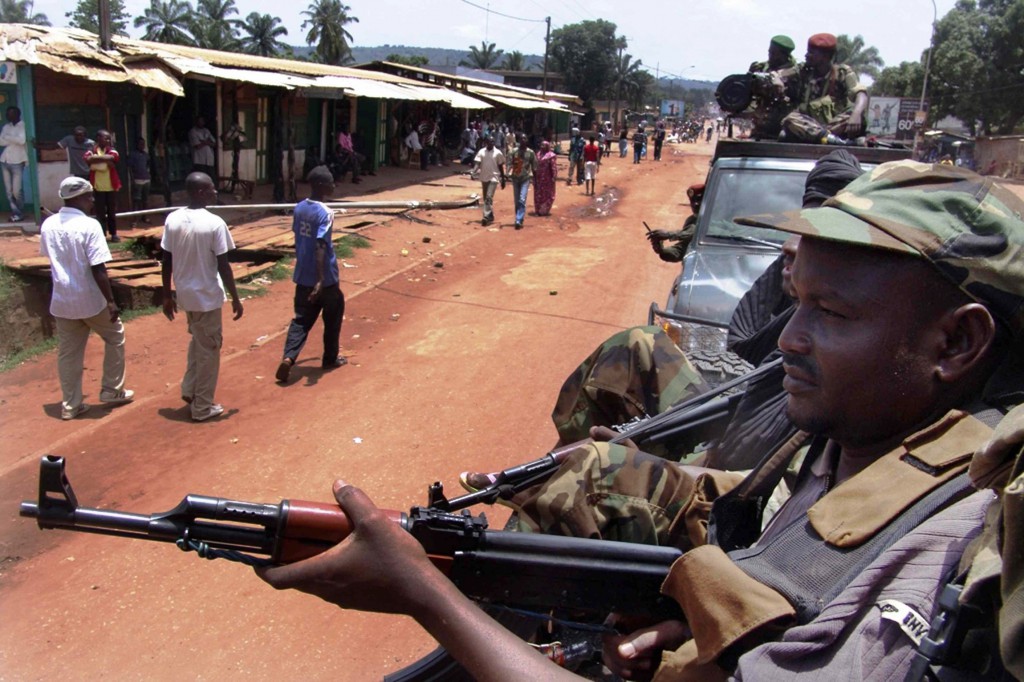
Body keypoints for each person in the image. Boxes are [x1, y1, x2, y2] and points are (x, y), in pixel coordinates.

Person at [256, 162, 1024, 680]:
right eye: (797, 301)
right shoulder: (869, 436)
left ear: (956, 343)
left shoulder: (946, 546)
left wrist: (427, 595)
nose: (790, 336)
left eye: (830, 312)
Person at [39, 177, 134, 420]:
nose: (93, 200)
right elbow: (98, 268)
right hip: (90, 298)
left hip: (62, 300)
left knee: (68, 353)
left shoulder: (48, 225)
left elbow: (50, 257)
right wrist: (111, 301)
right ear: (79, 198)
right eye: (89, 196)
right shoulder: (89, 226)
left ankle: (71, 405)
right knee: (115, 337)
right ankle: (112, 390)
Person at [160, 172, 244, 422]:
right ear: (198, 192)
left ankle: (189, 389)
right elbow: (223, 265)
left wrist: (167, 294)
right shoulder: (215, 223)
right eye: (210, 190)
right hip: (207, 296)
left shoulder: (173, 219)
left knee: (198, 341)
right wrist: (236, 297)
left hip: (185, 295)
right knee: (209, 349)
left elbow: (166, 260)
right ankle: (202, 406)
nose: (214, 193)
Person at [275, 166, 347, 384]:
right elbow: (320, 245)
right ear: (321, 186)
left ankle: (289, 357)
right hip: (325, 277)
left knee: (301, 319)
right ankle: (330, 358)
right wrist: (320, 280)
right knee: (333, 315)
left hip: (302, 274)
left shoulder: (299, 208)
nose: (334, 185)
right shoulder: (325, 212)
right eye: (331, 182)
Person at [780, 33, 869, 143]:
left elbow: (861, 94)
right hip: (809, 123)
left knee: (857, 117)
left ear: (825, 56)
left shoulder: (842, 73)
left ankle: (821, 137)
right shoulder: (804, 70)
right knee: (790, 120)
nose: (807, 55)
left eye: (811, 53)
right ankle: (833, 140)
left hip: (835, 124)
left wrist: (856, 115)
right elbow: (782, 74)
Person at [646, 183, 704, 262]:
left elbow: (700, 232)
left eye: (699, 200)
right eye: (692, 201)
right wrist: (661, 250)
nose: (695, 204)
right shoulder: (691, 220)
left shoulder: (719, 217)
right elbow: (680, 252)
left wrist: (669, 234)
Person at [84, 130, 121, 242]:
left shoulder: (112, 150)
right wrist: (105, 160)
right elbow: (87, 159)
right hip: (97, 187)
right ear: (99, 139)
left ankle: (114, 234)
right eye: (106, 138)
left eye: (109, 138)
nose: (108, 140)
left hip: (111, 186)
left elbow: (113, 158)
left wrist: (96, 159)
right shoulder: (92, 150)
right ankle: (102, 234)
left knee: (111, 212)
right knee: (100, 212)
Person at [0, 106, 27, 223]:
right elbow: (1, 142)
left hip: (18, 160)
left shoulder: (23, 125)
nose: (9, 115)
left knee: (17, 190)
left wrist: (8, 137)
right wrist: (14, 139)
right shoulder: (6, 126)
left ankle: (20, 211)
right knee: (8, 191)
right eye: (8, 113)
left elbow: (22, 141)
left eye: (12, 113)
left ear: (18, 114)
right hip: (5, 160)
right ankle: (17, 213)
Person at [471, 135, 505, 227]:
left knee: (489, 197)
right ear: (486, 143)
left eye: (493, 142)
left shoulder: (498, 153)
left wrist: (503, 179)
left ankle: (485, 216)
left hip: (494, 178)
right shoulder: (481, 152)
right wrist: (473, 171)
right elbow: (477, 163)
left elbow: (501, 166)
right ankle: (490, 215)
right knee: (486, 198)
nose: (492, 143)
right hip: (484, 177)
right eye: (490, 142)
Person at [508, 135, 537, 230]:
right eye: (521, 138)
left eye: (525, 138)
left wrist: (535, 179)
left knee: (522, 199)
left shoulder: (530, 153)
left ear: (527, 140)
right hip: (515, 178)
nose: (523, 140)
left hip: (525, 178)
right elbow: (509, 163)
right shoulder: (514, 151)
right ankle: (519, 218)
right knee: (517, 200)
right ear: (519, 140)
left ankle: (518, 219)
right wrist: (507, 173)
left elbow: (534, 166)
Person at [126, 137, 151, 221]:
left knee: (145, 200)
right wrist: (132, 180)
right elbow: (129, 168)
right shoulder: (133, 154)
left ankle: (145, 217)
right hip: (137, 180)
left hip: (146, 179)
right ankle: (135, 218)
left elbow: (148, 165)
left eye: (143, 144)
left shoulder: (145, 155)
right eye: (140, 144)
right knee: (136, 200)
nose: (142, 146)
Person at [533, 140, 557, 217]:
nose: (542, 147)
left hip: (547, 178)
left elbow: (553, 167)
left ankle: (545, 209)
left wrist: (554, 177)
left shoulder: (551, 155)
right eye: (541, 145)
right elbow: (535, 165)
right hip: (539, 178)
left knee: (547, 194)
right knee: (538, 193)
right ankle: (538, 210)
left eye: (544, 145)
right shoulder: (538, 154)